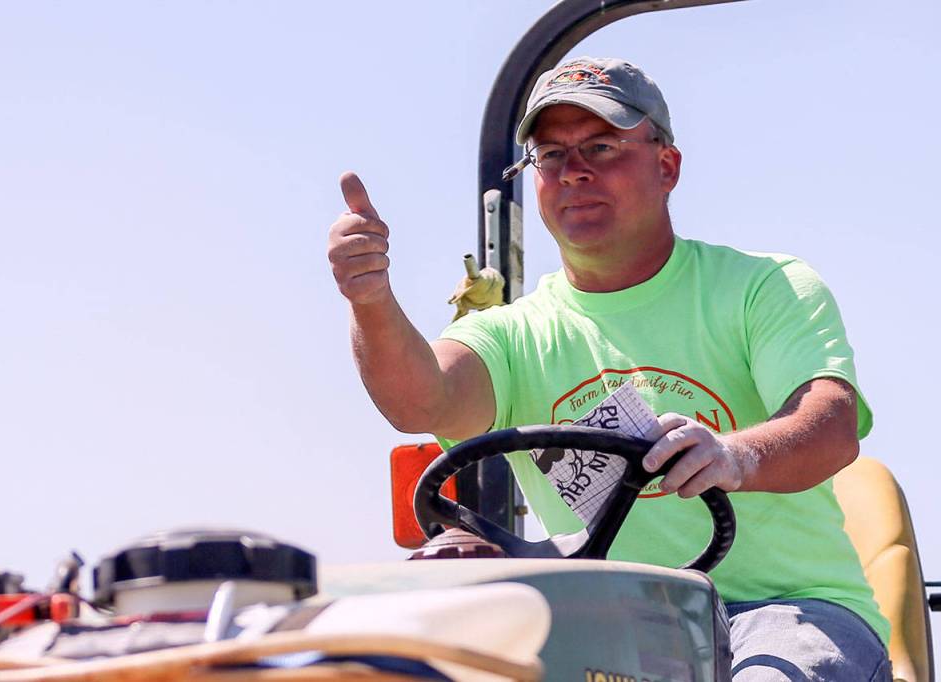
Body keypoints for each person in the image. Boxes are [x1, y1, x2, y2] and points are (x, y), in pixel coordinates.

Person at [327, 56, 891, 680]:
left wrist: (732, 456)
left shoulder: (764, 287)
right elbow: (421, 399)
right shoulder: (515, 333)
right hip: (610, 629)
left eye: (601, 146)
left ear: (666, 165)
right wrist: (371, 300)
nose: (574, 172)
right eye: (552, 155)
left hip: (785, 614)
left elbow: (829, 424)